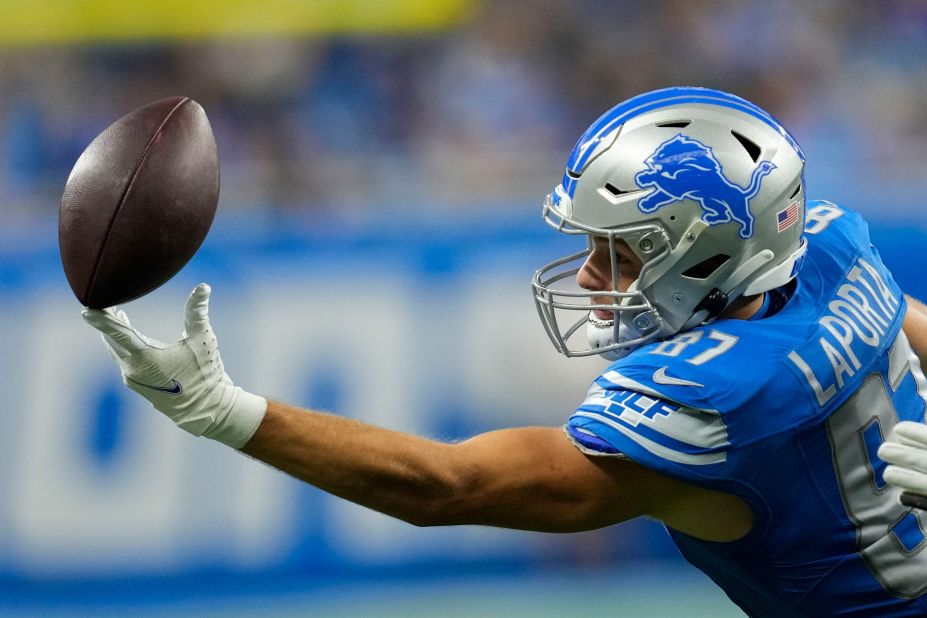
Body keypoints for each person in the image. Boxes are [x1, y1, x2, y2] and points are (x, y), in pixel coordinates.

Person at [83, 87, 927, 616]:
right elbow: (906, 325)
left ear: (711, 252)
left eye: (623, 252)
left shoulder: (718, 399)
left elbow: (449, 487)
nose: (595, 279)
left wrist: (227, 413)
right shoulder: (827, 247)